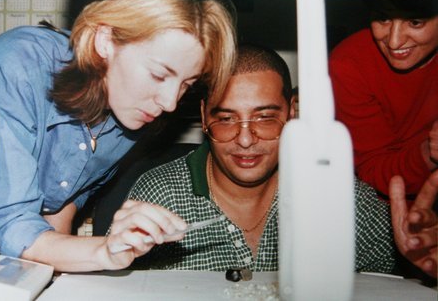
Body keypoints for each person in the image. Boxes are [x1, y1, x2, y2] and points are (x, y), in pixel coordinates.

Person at [0, 0, 237, 272]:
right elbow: (9, 227)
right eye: (158, 75)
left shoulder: (134, 108)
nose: (170, 102)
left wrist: (62, 270)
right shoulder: (13, 66)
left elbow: (65, 199)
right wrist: (104, 251)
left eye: (187, 84)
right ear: (104, 41)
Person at [108, 45, 420, 274]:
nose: (245, 140)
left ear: (293, 111)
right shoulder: (159, 196)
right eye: (227, 118)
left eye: (265, 118)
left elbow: (401, 280)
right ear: (204, 116)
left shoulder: (339, 198)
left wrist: (421, 265)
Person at [328, 0, 438, 201]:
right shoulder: (350, 63)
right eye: (383, 18)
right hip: (387, 209)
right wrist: (428, 153)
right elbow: (372, 170)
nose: (394, 41)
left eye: (415, 22)